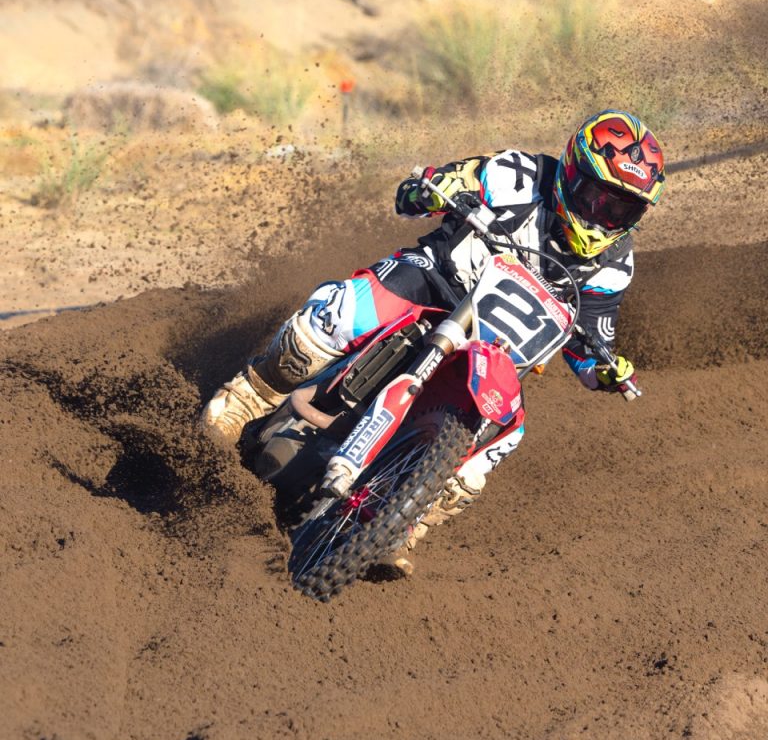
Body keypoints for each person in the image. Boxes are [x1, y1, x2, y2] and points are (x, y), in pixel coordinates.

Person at [201, 109, 666, 572]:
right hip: (436, 280)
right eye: (598, 198)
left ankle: (405, 523)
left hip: (494, 349)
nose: (604, 216)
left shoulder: (614, 265)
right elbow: (428, 189)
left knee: (507, 435)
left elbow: (592, 342)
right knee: (345, 315)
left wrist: (604, 370)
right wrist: (429, 190)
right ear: (571, 172)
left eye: (622, 208)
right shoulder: (517, 174)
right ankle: (248, 397)